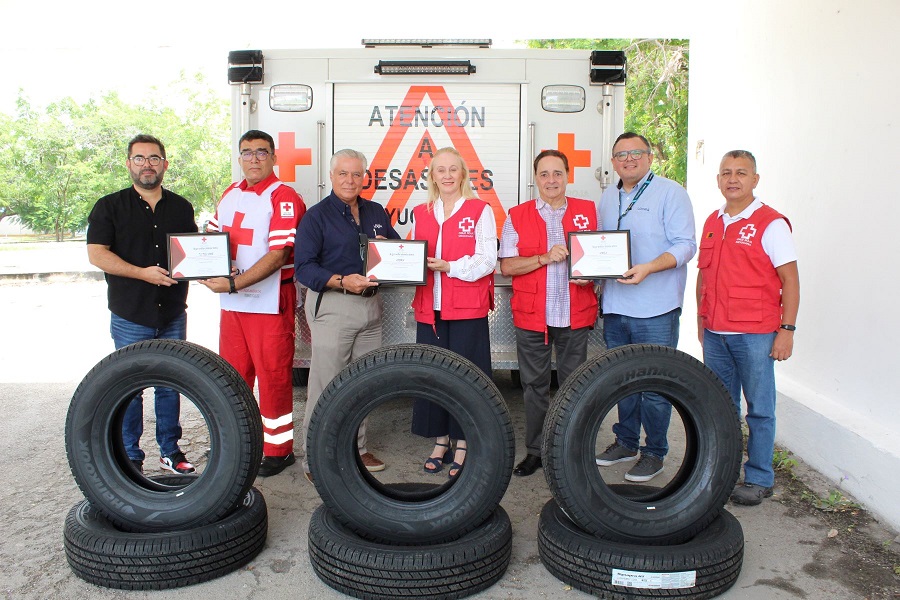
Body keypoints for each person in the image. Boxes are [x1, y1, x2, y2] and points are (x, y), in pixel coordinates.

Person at [86, 134, 197, 475]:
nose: (147, 164)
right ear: (128, 164)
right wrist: (142, 274)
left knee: (170, 384)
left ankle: (170, 451)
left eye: (153, 158)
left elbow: (191, 253)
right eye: (139, 158)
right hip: (130, 313)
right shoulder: (109, 206)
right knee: (130, 387)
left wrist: (219, 270)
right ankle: (131, 455)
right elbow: (97, 254)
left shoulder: (181, 207)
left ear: (164, 164)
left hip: (173, 311)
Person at [200, 130, 305, 478]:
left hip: (270, 301)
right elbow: (211, 242)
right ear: (239, 158)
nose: (254, 159)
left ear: (274, 157)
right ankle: (237, 443)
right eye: (247, 153)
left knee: (272, 376)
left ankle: (278, 449)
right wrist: (202, 268)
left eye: (261, 152)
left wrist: (232, 282)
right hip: (233, 305)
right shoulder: (230, 194)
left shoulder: (284, 196)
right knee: (232, 375)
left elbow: (278, 256)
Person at [698, 150, 799, 506]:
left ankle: (759, 477)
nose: (732, 179)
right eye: (726, 172)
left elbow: (790, 280)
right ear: (718, 179)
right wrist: (701, 321)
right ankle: (720, 473)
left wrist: (786, 330)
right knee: (720, 409)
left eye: (741, 173)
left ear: (755, 180)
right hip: (716, 333)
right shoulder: (713, 220)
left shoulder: (771, 223)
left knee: (759, 408)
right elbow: (704, 277)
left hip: (756, 334)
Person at [595, 132, 697, 483]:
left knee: (654, 386)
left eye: (636, 152)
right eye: (621, 154)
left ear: (650, 157)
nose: (629, 159)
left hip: (656, 308)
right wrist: (590, 276)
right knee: (623, 382)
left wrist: (649, 268)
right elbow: (600, 247)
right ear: (613, 162)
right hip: (616, 308)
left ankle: (654, 453)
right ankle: (625, 442)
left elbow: (686, 246)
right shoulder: (608, 197)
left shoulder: (671, 193)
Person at [295, 149, 400, 483]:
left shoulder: (376, 211)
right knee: (326, 386)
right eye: (343, 173)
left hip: (371, 305)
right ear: (331, 175)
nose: (350, 180)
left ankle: (357, 448)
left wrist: (392, 249)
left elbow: (400, 251)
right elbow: (304, 268)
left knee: (363, 383)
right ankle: (316, 458)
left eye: (356, 174)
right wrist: (342, 280)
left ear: (365, 177)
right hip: (333, 304)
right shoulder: (316, 217)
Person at [499, 149, 599, 477]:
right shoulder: (518, 215)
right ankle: (536, 450)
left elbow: (603, 259)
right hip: (533, 316)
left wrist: (594, 273)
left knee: (575, 386)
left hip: (575, 314)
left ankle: (571, 450)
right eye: (544, 174)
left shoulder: (589, 212)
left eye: (557, 173)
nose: (551, 180)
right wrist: (543, 258)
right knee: (534, 386)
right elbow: (508, 265)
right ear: (535, 178)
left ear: (567, 176)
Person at [410, 147, 497, 478]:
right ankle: (441, 440)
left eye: (452, 169)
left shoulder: (479, 210)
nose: (446, 175)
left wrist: (450, 267)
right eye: (439, 170)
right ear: (431, 176)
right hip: (429, 310)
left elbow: (488, 258)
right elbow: (411, 255)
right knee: (432, 378)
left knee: (466, 379)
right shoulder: (422, 212)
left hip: (466, 309)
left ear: (462, 174)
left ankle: (463, 442)